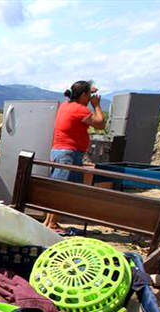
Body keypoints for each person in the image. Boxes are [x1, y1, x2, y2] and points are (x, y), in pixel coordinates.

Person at [45, 80, 106, 231]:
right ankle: (51, 223)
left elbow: (76, 94)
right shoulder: (80, 110)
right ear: (84, 95)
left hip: (59, 151)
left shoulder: (66, 105)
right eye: (88, 94)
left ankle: (48, 222)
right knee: (62, 190)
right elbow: (100, 123)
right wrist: (96, 104)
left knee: (57, 188)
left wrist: (87, 91)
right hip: (68, 153)